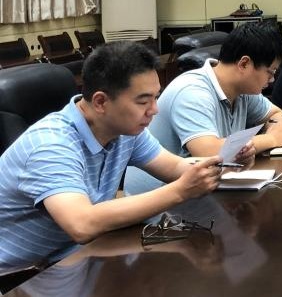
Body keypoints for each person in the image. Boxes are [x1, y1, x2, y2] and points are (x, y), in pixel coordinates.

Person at [0, 42, 222, 270]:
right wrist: (180, 191)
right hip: (20, 276)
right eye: (143, 101)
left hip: (74, 256)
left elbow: (174, 167)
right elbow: (82, 224)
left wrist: (220, 162)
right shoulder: (50, 145)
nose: (154, 110)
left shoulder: (125, 130)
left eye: (156, 97)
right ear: (100, 102)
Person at [124, 23, 282, 195]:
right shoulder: (192, 91)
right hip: (160, 201)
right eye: (271, 72)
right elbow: (209, 153)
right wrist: (272, 138)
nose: (272, 80)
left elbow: (276, 115)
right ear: (244, 64)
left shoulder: (243, 90)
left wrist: (276, 127)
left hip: (205, 187)